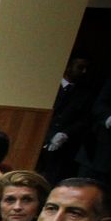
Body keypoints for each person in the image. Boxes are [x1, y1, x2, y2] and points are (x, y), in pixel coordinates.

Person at [39, 54, 94, 184]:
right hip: (41, 139)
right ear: (68, 67)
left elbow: (84, 120)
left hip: (63, 145)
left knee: (52, 179)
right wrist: (49, 135)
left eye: (86, 68)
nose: (83, 71)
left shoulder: (85, 93)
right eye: (80, 67)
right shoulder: (49, 87)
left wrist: (65, 133)